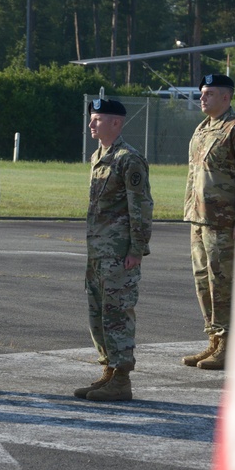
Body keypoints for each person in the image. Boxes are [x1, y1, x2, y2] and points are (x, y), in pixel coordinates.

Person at [74, 98, 153, 402]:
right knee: (98, 313)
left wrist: (137, 248)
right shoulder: (99, 156)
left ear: (116, 123)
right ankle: (109, 369)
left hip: (120, 253)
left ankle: (121, 378)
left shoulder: (128, 159)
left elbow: (141, 207)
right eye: (92, 119)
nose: (91, 124)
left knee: (117, 313)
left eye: (97, 119)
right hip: (99, 252)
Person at [182, 73, 235, 371]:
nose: (202, 98)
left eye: (209, 93)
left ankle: (230, 344)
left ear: (226, 97)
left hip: (225, 222)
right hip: (199, 219)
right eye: (202, 93)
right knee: (203, 282)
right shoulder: (202, 130)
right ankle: (214, 339)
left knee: (223, 282)